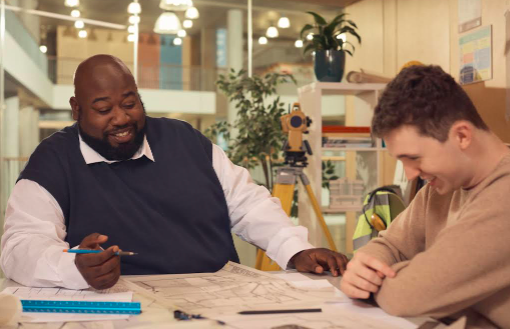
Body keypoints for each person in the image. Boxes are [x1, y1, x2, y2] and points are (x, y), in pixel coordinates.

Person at [1, 55, 348, 290]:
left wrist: (294, 248)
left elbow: (248, 203)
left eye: (130, 103)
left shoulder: (185, 140)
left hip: (217, 301)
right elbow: (20, 245)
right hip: (117, 309)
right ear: (76, 110)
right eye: (103, 109)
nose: (121, 118)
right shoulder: (53, 160)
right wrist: (72, 267)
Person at [340, 65, 510, 328]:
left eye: (414, 158)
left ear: (462, 135)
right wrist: (364, 270)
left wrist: (378, 283)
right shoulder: (441, 187)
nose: (409, 175)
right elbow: (390, 246)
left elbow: (408, 296)